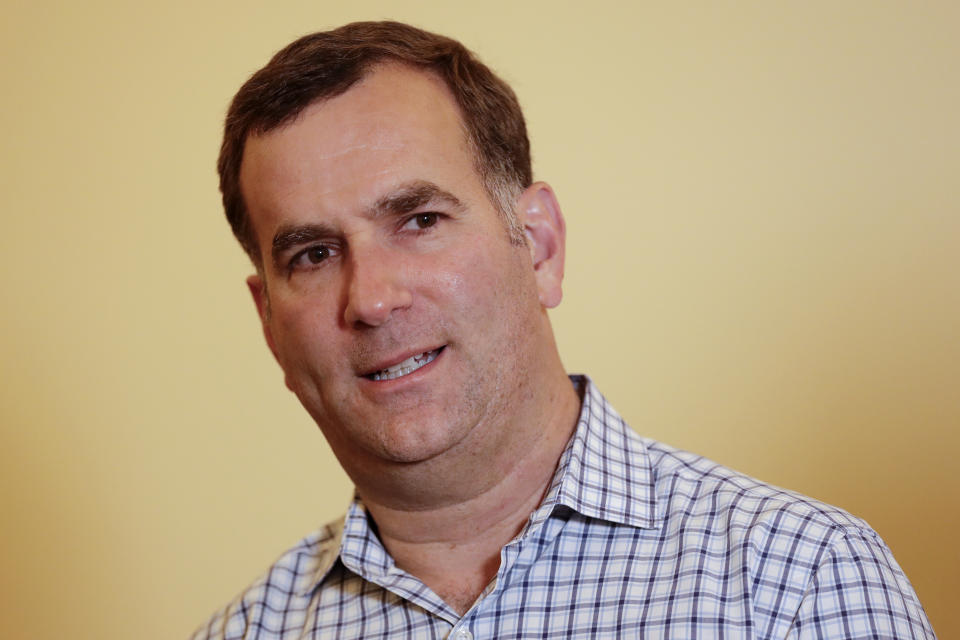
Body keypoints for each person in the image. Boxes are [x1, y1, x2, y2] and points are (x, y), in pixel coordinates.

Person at [193, 21, 935, 639]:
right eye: (314, 254)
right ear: (269, 325)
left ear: (540, 245)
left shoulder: (800, 585)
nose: (374, 299)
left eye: (420, 220)